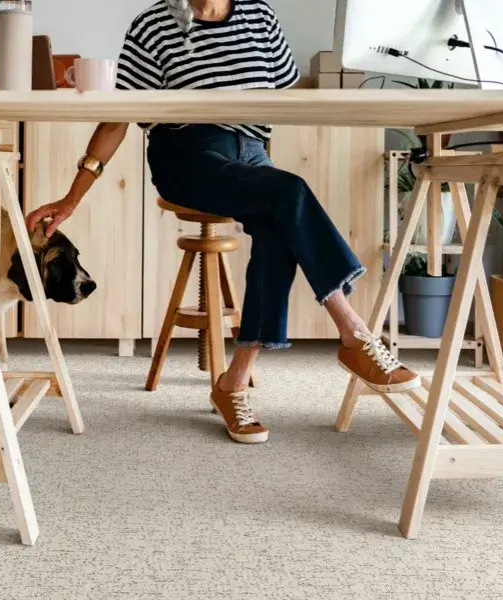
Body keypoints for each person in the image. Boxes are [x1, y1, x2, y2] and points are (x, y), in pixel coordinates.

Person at [26, 0, 420, 445]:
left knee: (276, 227)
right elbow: (117, 118)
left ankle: (232, 384)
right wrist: (72, 198)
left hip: (252, 154)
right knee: (289, 192)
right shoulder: (153, 25)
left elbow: (281, 98)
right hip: (185, 156)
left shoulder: (260, 17)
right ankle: (353, 332)